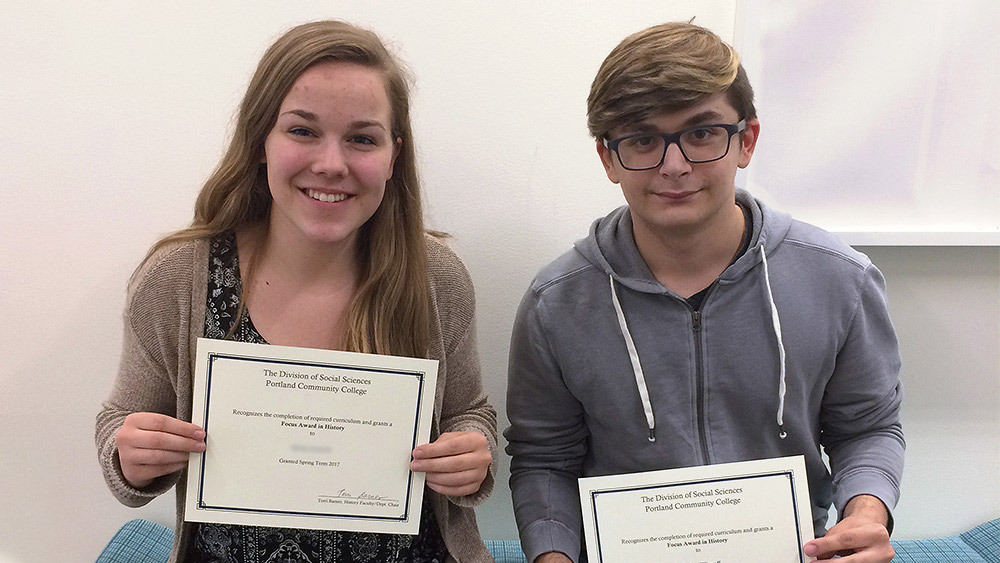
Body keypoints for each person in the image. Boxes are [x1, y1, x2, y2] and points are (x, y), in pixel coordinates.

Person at [95, 20, 497, 563]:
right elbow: (120, 423)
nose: (331, 164)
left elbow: (469, 412)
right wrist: (131, 456)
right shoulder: (176, 279)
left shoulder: (435, 278)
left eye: (361, 138)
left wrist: (472, 456)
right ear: (261, 141)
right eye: (303, 131)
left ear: (392, 155)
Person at [505, 22, 903, 563]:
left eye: (701, 133)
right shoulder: (556, 303)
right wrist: (552, 555)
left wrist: (864, 514)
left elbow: (869, 427)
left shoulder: (840, 280)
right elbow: (544, 459)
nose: (675, 166)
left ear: (747, 141)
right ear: (607, 158)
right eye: (642, 139)